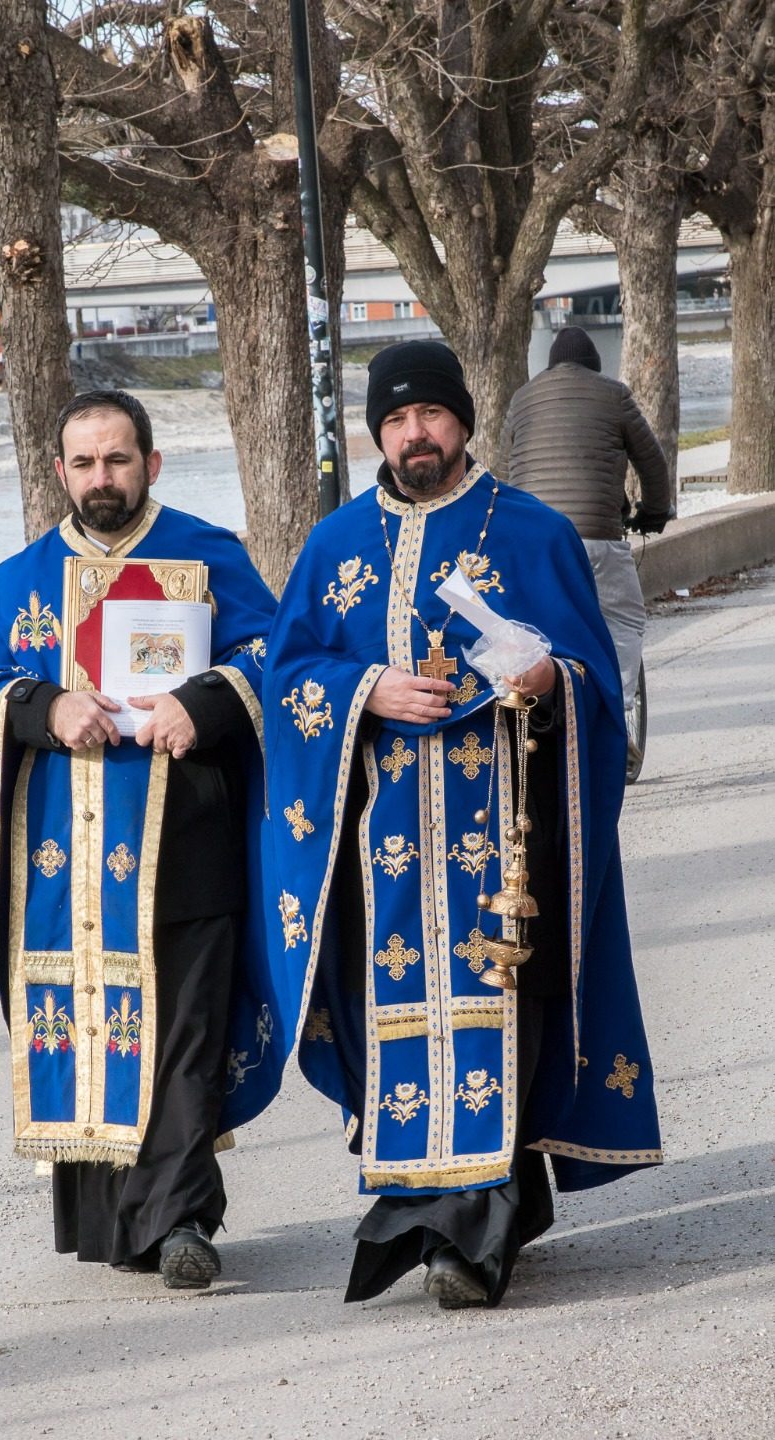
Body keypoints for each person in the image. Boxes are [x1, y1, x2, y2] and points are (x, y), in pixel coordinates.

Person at [264, 341, 662, 1309]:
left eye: (430, 416)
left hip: (506, 843)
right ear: (375, 432)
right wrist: (364, 687)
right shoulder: (334, 545)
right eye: (396, 420)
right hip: (377, 847)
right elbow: (287, 681)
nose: (415, 435)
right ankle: (422, 1204)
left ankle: (475, 1231)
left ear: (464, 420)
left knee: (499, 1017)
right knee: (391, 1026)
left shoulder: (530, 533)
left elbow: (594, 686)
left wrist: (546, 678)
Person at [0, 390, 282, 1290]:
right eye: (84, 463)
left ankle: (180, 1221)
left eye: (119, 460)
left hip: (187, 839)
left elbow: (274, 662)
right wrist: (46, 705)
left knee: (184, 1029)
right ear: (59, 471)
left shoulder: (208, 557)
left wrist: (200, 702)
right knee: (93, 1026)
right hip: (67, 861)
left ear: (152, 464)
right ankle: (113, 1220)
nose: (102, 479)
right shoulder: (23, 578)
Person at [500, 326, 673, 739]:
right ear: (595, 368)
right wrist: (653, 512)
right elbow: (652, 464)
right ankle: (617, 723)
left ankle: (529, 725)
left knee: (534, 632)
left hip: (534, 543)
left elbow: (503, 474)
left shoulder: (521, 399)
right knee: (623, 620)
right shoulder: (614, 394)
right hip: (595, 534)